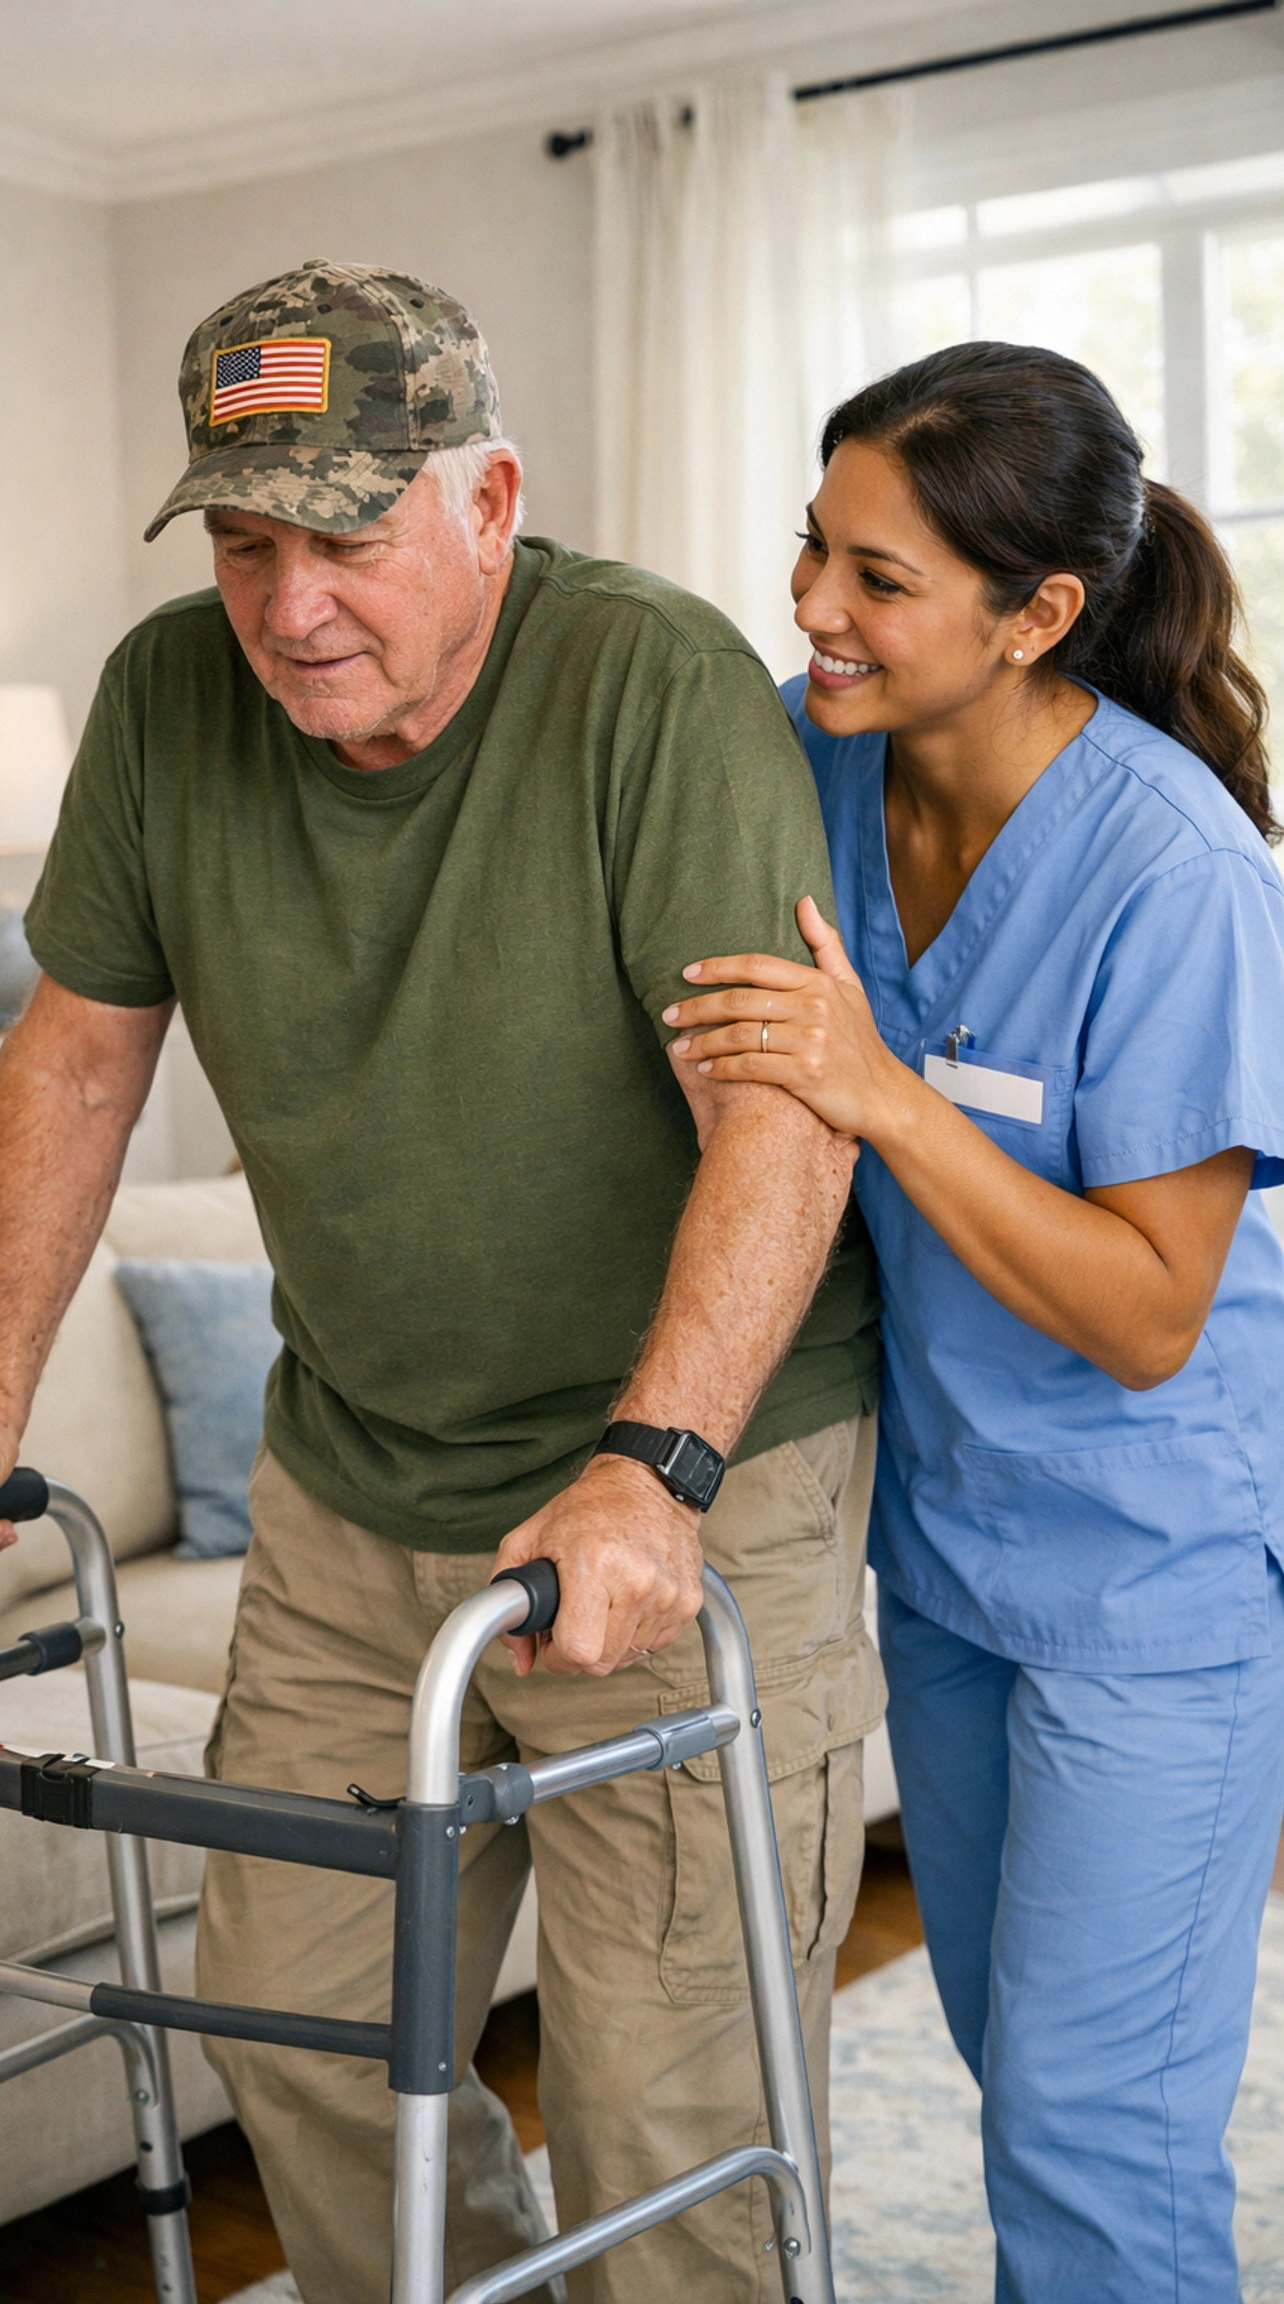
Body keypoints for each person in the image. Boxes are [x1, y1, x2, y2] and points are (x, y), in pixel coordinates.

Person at [0, 263, 883, 2303]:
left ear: (488, 499)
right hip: (351, 1479)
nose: (290, 602)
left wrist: (652, 1466)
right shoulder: (166, 703)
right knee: (291, 2029)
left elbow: (786, 1111)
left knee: (662, 2109)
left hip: (683, 1479)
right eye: (247, 542)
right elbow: (74, 1054)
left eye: (344, 534)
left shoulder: (647, 687)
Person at [662, 340, 1284, 2302]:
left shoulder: (1178, 874)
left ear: (1039, 616)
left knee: (1097, 2138)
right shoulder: (815, 755)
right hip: (943, 1567)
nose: (817, 611)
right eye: (811, 550)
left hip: (1155, 1592)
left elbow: (1152, 1313)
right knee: (1014, 2072)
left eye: (880, 579)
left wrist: (883, 1093)